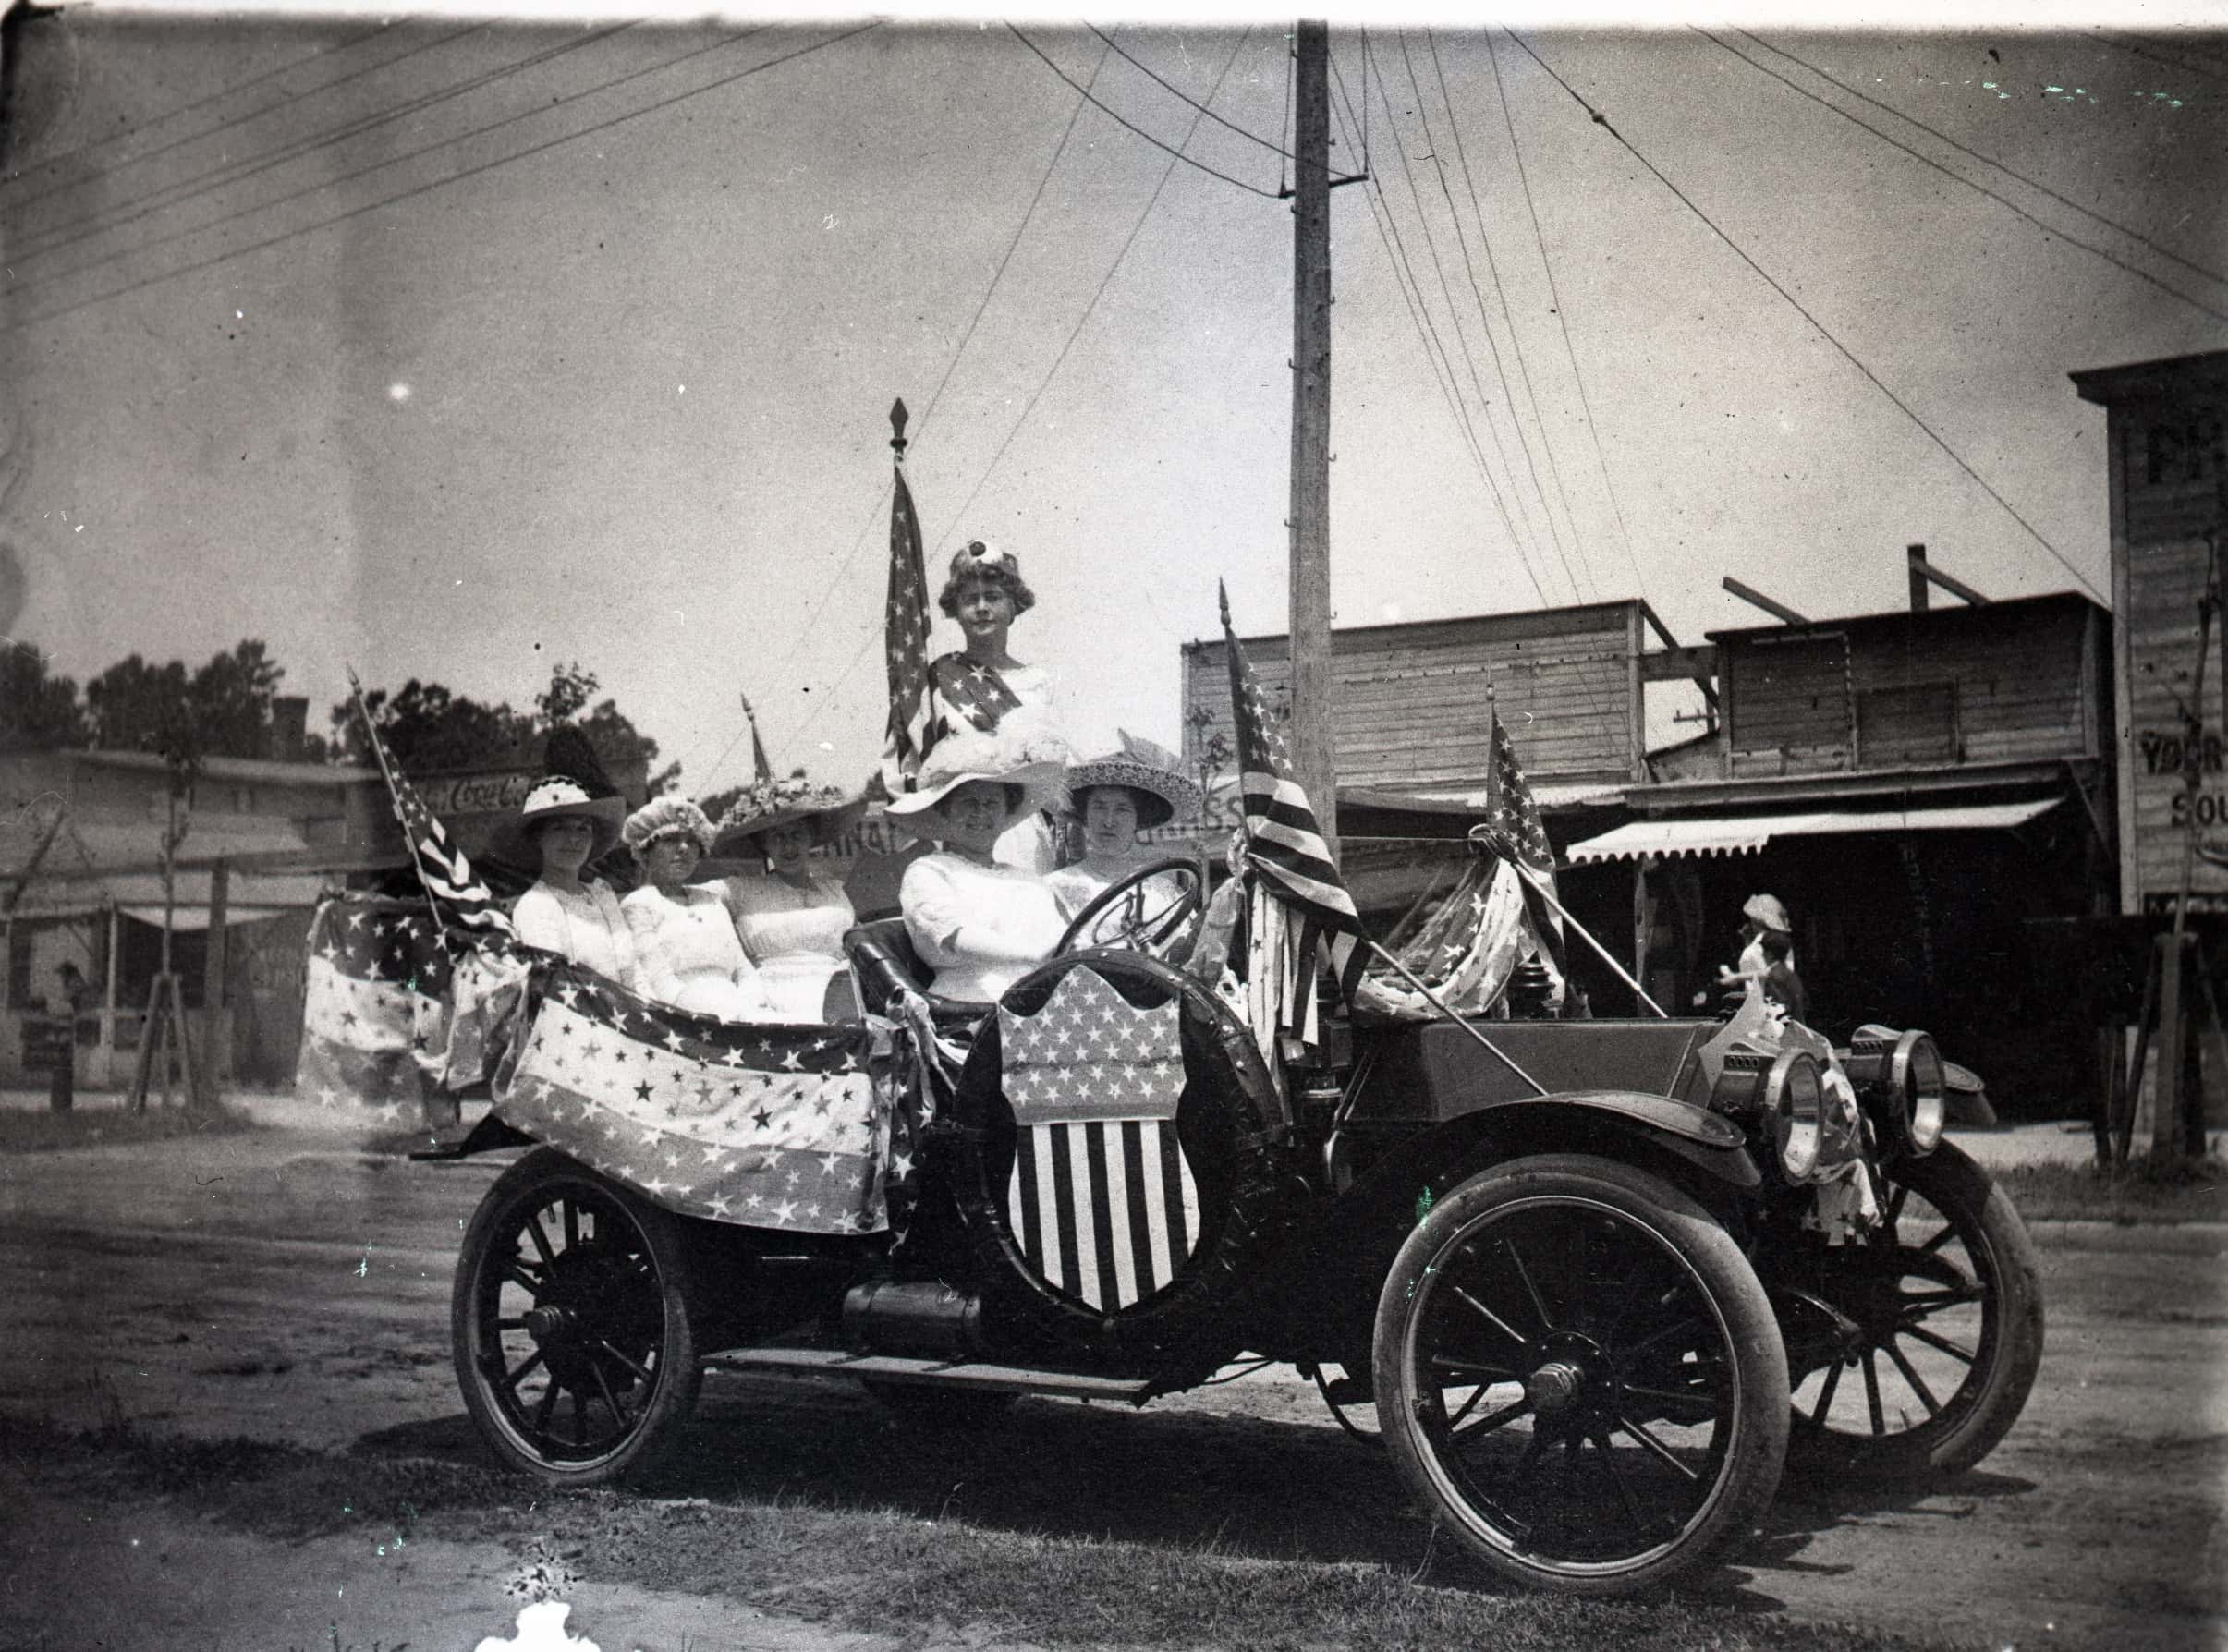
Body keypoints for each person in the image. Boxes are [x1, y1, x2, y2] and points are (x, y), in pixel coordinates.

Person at [888, 725, 1070, 1005]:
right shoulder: (928, 871)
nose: (981, 813)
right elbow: (956, 938)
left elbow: (1065, 940)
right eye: (969, 802)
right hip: (970, 1007)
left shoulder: (1025, 878)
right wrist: (1032, 954)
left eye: (992, 802)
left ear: (1006, 809)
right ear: (945, 810)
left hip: (1047, 1000)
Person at [925, 541, 1065, 870]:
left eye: (993, 597)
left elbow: (1058, 770)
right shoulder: (938, 678)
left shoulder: (1040, 681)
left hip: (1025, 829)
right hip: (962, 828)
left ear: (1014, 606)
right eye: (970, 599)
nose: (982, 607)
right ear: (955, 610)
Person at [712, 776, 869, 1021]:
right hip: (771, 1003)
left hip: (841, 1000)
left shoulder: (835, 890)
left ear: (811, 838)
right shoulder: (739, 889)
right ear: (764, 846)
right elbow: (683, 895)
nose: (788, 847)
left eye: (796, 835)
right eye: (777, 837)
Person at [618, 797, 771, 1021]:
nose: (684, 849)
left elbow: (742, 968)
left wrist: (751, 1005)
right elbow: (659, 980)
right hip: (686, 1018)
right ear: (645, 851)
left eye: (692, 842)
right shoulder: (638, 904)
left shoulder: (711, 900)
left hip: (741, 1010)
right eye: (671, 840)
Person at [1046, 735, 1204, 928]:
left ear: (1139, 818)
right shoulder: (1058, 886)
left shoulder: (1163, 893)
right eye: (1099, 807)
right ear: (1084, 813)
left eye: (1122, 809)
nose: (1109, 821)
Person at [496, 777, 639, 990]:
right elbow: (555, 990)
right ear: (538, 837)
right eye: (560, 828)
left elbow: (634, 973)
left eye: (583, 828)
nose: (574, 839)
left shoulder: (602, 893)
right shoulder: (535, 906)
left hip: (631, 1013)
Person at [1759, 929, 1809, 1024]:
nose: (1762, 954)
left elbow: (1780, 1005)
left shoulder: (1774, 975)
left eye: (1764, 951)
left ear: (1770, 954)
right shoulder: (1789, 973)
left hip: (1787, 1026)